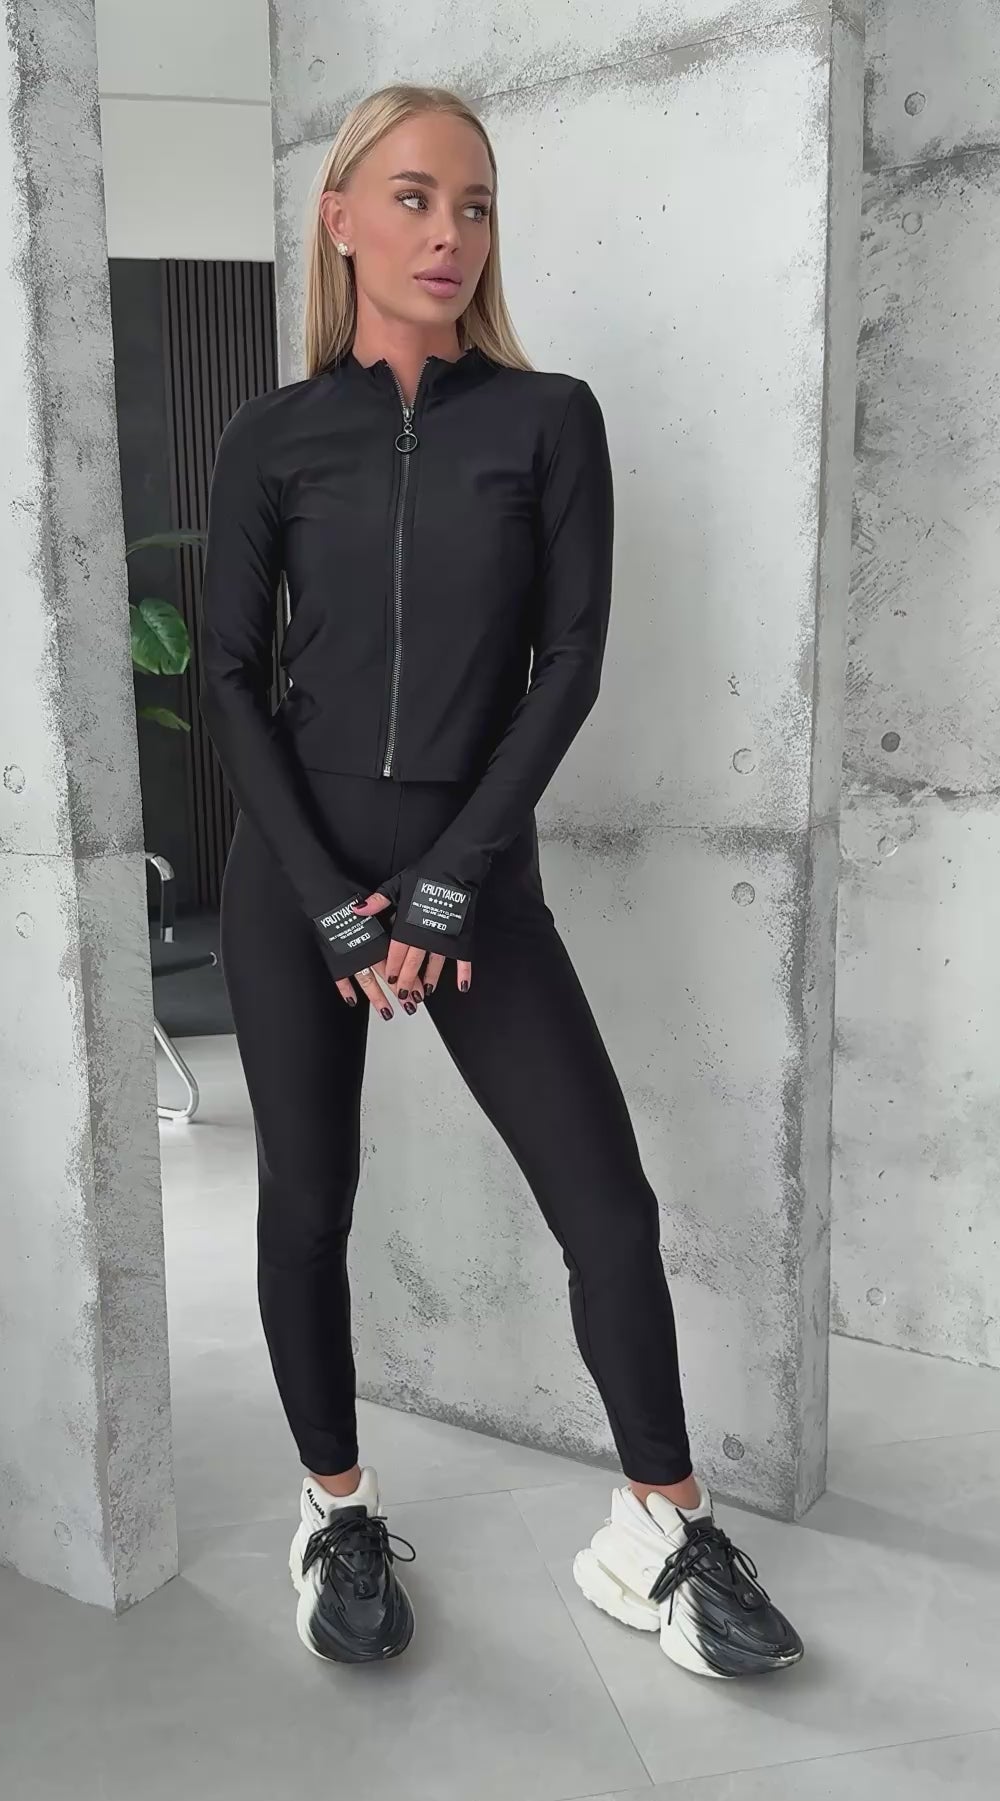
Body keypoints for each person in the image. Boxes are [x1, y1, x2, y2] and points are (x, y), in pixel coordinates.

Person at [199, 82, 803, 1679]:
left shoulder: (548, 420)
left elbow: (569, 663)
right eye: (412, 198)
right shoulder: (271, 437)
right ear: (340, 217)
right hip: (298, 881)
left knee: (608, 1208)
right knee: (307, 1204)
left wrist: (452, 882)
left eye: (473, 205)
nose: (448, 234)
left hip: (475, 880)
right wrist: (332, 902)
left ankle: (661, 1527)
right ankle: (335, 1508)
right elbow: (231, 680)